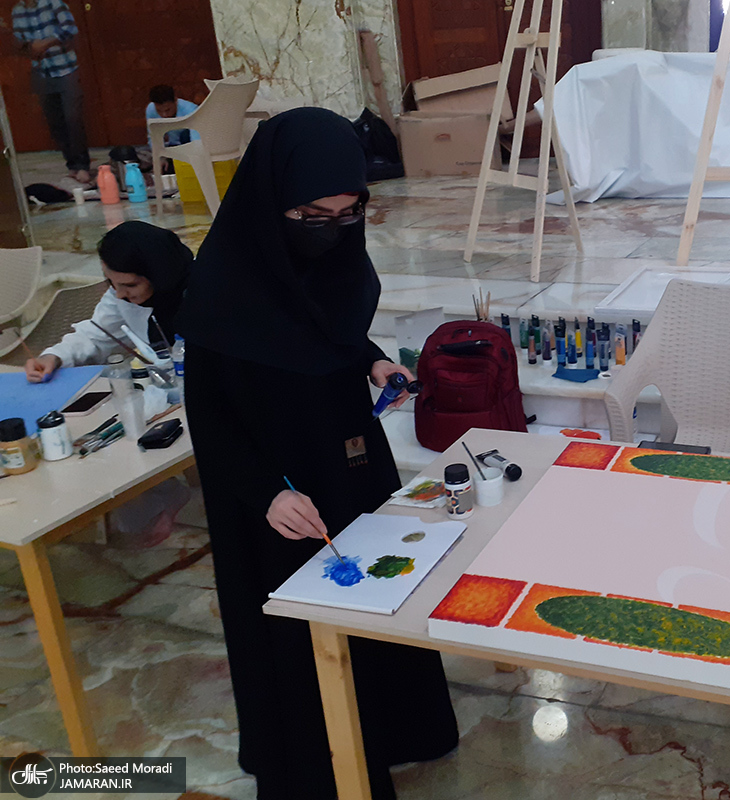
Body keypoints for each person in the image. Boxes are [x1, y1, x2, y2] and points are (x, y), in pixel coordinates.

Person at [177, 108, 458, 800]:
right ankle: (316, 757)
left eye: (348, 213)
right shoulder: (220, 286)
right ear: (273, 201)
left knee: (377, 594)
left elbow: (327, 330)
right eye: (311, 216)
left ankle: (398, 729)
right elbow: (210, 418)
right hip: (274, 487)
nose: (332, 229)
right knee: (300, 633)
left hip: (349, 459)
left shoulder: (335, 254)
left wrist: (372, 361)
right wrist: (267, 493)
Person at [25, 220, 192, 383]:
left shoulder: (201, 293)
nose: (119, 294)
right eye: (111, 282)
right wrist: (54, 356)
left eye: (130, 285)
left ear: (160, 276)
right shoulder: (123, 295)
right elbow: (97, 335)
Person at [9, 0, 89, 183]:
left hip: (66, 69)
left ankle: (83, 165)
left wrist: (45, 43)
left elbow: (70, 29)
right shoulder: (17, 11)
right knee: (55, 122)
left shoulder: (53, 3)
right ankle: (72, 165)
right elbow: (19, 42)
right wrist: (29, 48)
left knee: (73, 118)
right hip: (41, 71)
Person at [146, 84, 199, 148]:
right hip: (172, 145)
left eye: (167, 110)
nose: (164, 115)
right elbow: (153, 137)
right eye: (159, 111)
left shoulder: (191, 110)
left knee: (185, 135)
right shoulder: (151, 109)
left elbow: (196, 138)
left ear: (175, 101)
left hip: (188, 144)